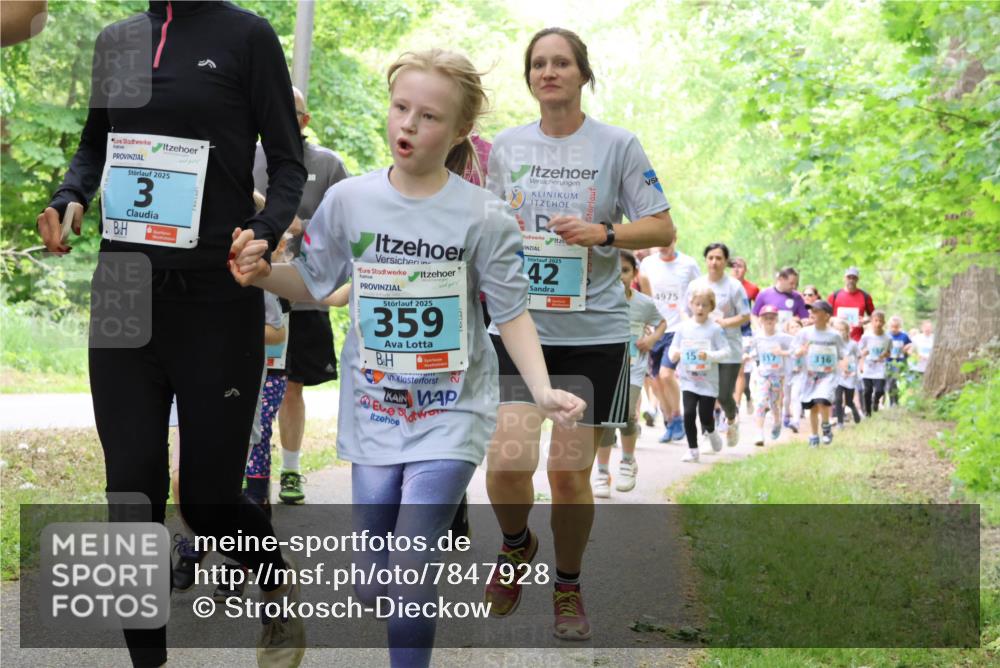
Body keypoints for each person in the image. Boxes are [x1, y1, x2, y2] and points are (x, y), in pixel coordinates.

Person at [232, 48, 586, 667]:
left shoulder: (484, 215)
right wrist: (263, 275)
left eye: (428, 116)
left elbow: (511, 313)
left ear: (459, 130)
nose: (409, 125)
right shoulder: (350, 201)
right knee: (373, 582)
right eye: (401, 108)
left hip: (452, 410)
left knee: (412, 563)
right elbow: (313, 281)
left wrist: (541, 388)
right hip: (374, 409)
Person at [35, 2, 308, 666]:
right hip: (125, 290)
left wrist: (264, 230)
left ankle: (274, 583)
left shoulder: (246, 36)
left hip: (215, 295)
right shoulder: (119, 40)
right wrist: (70, 195)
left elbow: (288, 163)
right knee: (130, 498)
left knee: (207, 505)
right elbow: (95, 144)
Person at [481, 27, 676, 641]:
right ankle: (517, 542)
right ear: (529, 77)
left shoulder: (617, 144)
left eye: (561, 62)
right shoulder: (507, 146)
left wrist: (605, 234)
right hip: (519, 328)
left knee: (567, 476)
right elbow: (485, 225)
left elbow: (662, 226)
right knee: (506, 462)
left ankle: (567, 585)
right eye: (538, 63)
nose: (549, 72)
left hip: (592, 333)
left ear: (583, 74)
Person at [253, 86, 350, 506]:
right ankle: (248, 473)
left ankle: (290, 470)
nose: (279, 116)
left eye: (290, 111)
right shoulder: (246, 157)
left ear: (305, 120)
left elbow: (347, 225)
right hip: (256, 290)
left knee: (293, 386)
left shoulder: (328, 164)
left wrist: (299, 226)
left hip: (308, 294)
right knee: (248, 385)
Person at [593, 251, 665, 497]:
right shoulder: (598, 301)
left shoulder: (643, 303)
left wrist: (651, 339)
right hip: (605, 368)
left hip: (633, 369)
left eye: (624, 270)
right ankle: (602, 473)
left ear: (634, 274)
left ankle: (627, 461)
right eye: (614, 271)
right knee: (604, 420)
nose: (619, 276)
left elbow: (661, 323)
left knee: (625, 413)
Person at [686, 243, 750, 447]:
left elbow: (745, 315)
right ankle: (708, 434)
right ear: (706, 260)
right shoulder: (695, 285)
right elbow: (685, 312)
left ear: (725, 261)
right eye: (710, 258)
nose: (714, 262)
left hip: (729, 348)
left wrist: (724, 323)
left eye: (719, 258)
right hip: (703, 348)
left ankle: (731, 419)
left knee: (723, 394)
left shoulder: (734, 286)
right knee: (704, 393)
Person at [640, 240, 701, 442]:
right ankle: (670, 421)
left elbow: (700, 291)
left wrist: (695, 321)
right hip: (655, 328)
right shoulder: (647, 263)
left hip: (677, 328)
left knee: (666, 375)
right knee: (655, 380)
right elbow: (645, 296)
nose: (663, 244)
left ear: (674, 238)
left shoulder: (688, 264)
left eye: (667, 240)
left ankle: (677, 416)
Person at [668, 287, 729, 462]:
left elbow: (726, 351)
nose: (700, 308)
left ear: (711, 307)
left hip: (708, 381)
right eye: (697, 304)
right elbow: (673, 348)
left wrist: (709, 356)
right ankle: (693, 450)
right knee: (688, 413)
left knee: (705, 416)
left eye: (705, 305)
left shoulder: (715, 329)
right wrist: (675, 354)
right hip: (688, 379)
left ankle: (711, 431)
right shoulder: (683, 328)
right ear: (691, 305)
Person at [792, 300, 845, 447]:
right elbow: (794, 350)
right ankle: (814, 435)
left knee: (821, 399)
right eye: (811, 311)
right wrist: (800, 351)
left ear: (827, 316)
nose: (812, 313)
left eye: (816, 311)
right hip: (810, 375)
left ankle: (826, 428)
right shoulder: (804, 333)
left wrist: (843, 367)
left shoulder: (834, 335)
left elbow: (841, 354)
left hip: (828, 375)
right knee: (813, 407)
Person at [749, 305, 792, 446]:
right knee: (761, 402)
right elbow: (752, 352)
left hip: (778, 376)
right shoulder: (757, 338)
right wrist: (747, 356)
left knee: (774, 404)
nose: (769, 320)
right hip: (763, 374)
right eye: (766, 317)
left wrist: (783, 353)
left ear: (776, 319)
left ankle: (777, 421)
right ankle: (759, 433)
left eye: (772, 317)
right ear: (760, 320)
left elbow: (796, 348)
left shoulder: (783, 337)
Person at [828, 267, 875, 342]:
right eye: (849, 277)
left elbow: (874, 316)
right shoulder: (834, 295)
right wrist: (835, 319)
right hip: (836, 337)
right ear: (844, 278)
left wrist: (864, 320)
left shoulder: (865, 296)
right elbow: (826, 316)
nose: (851, 280)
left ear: (857, 279)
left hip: (857, 338)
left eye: (854, 278)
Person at [859, 311, 891, 416]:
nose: (878, 323)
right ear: (871, 322)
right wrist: (862, 359)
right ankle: (867, 412)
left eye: (880, 321)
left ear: (884, 322)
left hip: (880, 367)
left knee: (880, 390)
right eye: (876, 321)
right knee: (867, 390)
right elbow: (859, 351)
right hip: (868, 367)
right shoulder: (866, 336)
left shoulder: (887, 338)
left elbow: (889, 353)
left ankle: (876, 401)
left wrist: (885, 354)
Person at [832, 318, 862, 426]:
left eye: (842, 330)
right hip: (838, 376)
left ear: (847, 331)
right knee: (838, 399)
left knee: (849, 400)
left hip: (850, 376)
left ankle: (854, 411)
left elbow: (859, 356)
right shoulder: (833, 344)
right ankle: (840, 422)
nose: (840, 332)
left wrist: (857, 368)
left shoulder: (852, 344)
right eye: (837, 330)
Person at [886, 315, 913, 407]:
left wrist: (907, 347)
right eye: (892, 327)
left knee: (893, 380)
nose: (894, 329)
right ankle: (893, 402)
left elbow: (911, 344)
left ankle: (895, 402)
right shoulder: (886, 335)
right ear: (889, 326)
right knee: (890, 383)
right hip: (888, 362)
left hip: (899, 362)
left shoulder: (904, 336)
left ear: (900, 326)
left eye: (896, 327)